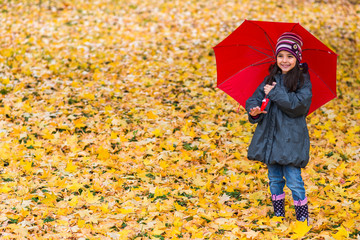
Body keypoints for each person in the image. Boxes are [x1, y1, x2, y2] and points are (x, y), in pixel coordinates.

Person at [245, 32, 312, 224]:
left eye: (290, 56)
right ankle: (279, 215)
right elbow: (254, 98)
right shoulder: (270, 79)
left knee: (294, 180)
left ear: (297, 58)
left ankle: (302, 218)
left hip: (291, 140)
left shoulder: (302, 81)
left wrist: (275, 92)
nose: (284, 60)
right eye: (281, 56)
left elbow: (298, 106)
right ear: (276, 57)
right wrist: (254, 110)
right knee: (274, 179)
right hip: (271, 139)